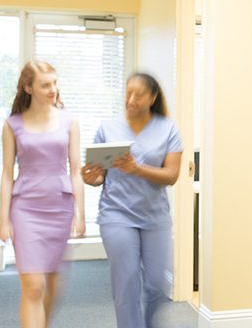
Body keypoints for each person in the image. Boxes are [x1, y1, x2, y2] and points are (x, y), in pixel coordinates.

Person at [81, 72, 182, 328]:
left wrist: (137, 169)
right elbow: (99, 176)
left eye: (139, 94)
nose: (131, 99)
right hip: (116, 215)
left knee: (157, 285)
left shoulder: (167, 128)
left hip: (155, 217)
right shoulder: (108, 128)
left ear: (153, 97)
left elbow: (171, 175)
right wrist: (89, 177)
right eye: (128, 93)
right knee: (126, 284)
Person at [0, 60, 86, 327]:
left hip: (59, 208)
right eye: (45, 85)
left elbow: (75, 170)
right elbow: (6, 174)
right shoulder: (12, 125)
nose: (53, 90)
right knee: (33, 287)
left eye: (55, 83)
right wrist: (4, 220)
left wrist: (81, 213)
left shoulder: (70, 122)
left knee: (52, 286)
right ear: (28, 88)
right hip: (25, 209)